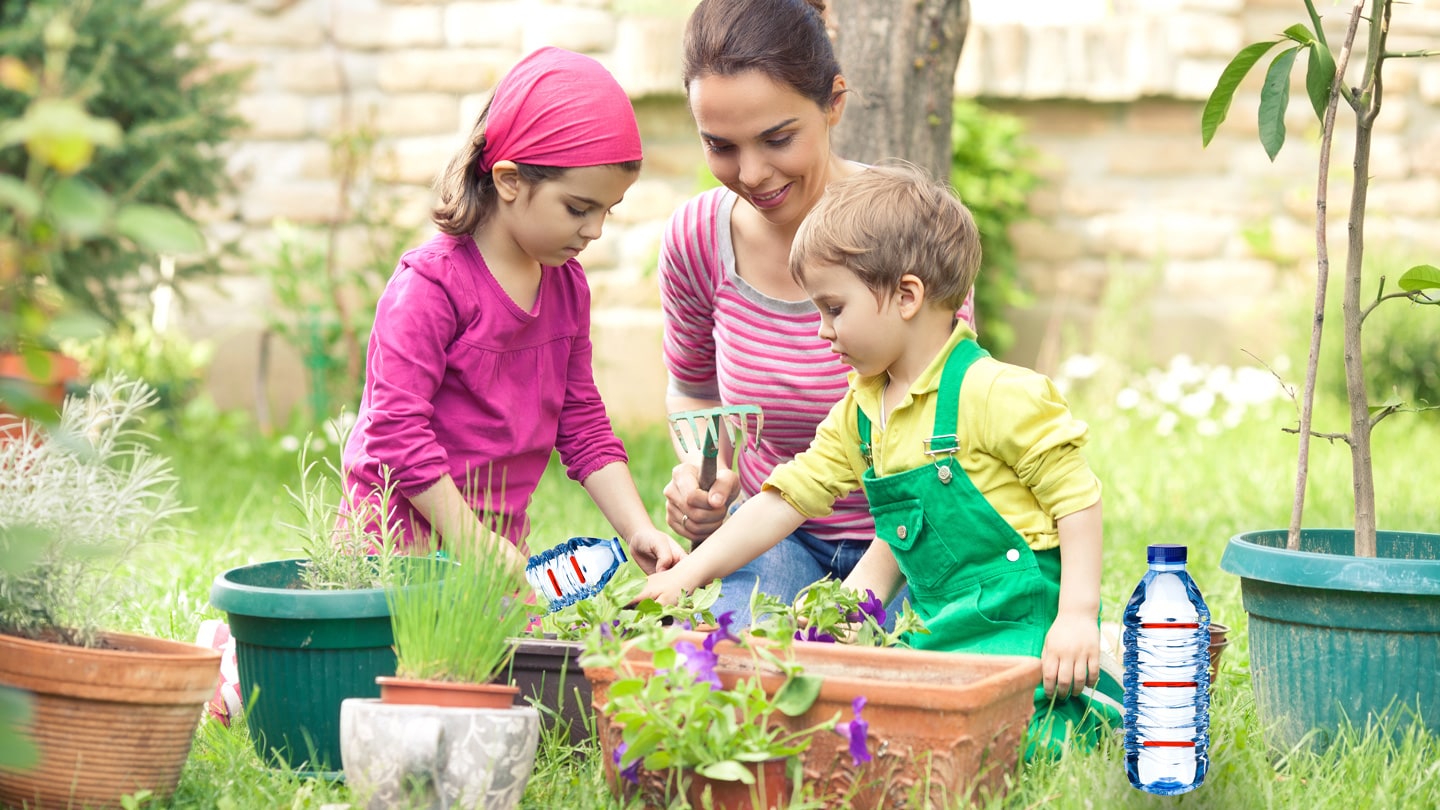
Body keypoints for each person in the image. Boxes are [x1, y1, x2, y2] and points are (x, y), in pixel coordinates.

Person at [642, 163, 1123, 755]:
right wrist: (688, 578)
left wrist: (1077, 616)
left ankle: (1099, 682)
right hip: (936, 624)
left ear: (907, 296)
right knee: (890, 733)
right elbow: (789, 499)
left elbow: (1077, 499)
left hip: (1020, 622)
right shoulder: (863, 408)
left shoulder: (998, 393)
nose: (821, 332)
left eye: (833, 309)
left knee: (1018, 744)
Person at [660, 0, 976, 625]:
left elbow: (949, 441)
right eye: (720, 146)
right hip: (774, 532)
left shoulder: (909, 230)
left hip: (910, 538)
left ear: (834, 103)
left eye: (778, 139)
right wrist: (709, 476)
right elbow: (695, 390)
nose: (751, 173)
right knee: (733, 661)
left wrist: (855, 603)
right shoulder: (698, 238)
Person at [340, 46, 685, 576]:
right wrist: (470, 541)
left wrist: (638, 528)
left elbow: (582, 422)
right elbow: (395, 433)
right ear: (509, 180)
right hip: (393, 552)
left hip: (492, 556)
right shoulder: (430, 288)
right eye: (578, 208)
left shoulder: (566, 286)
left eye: (606, 211)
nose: (594, 230)